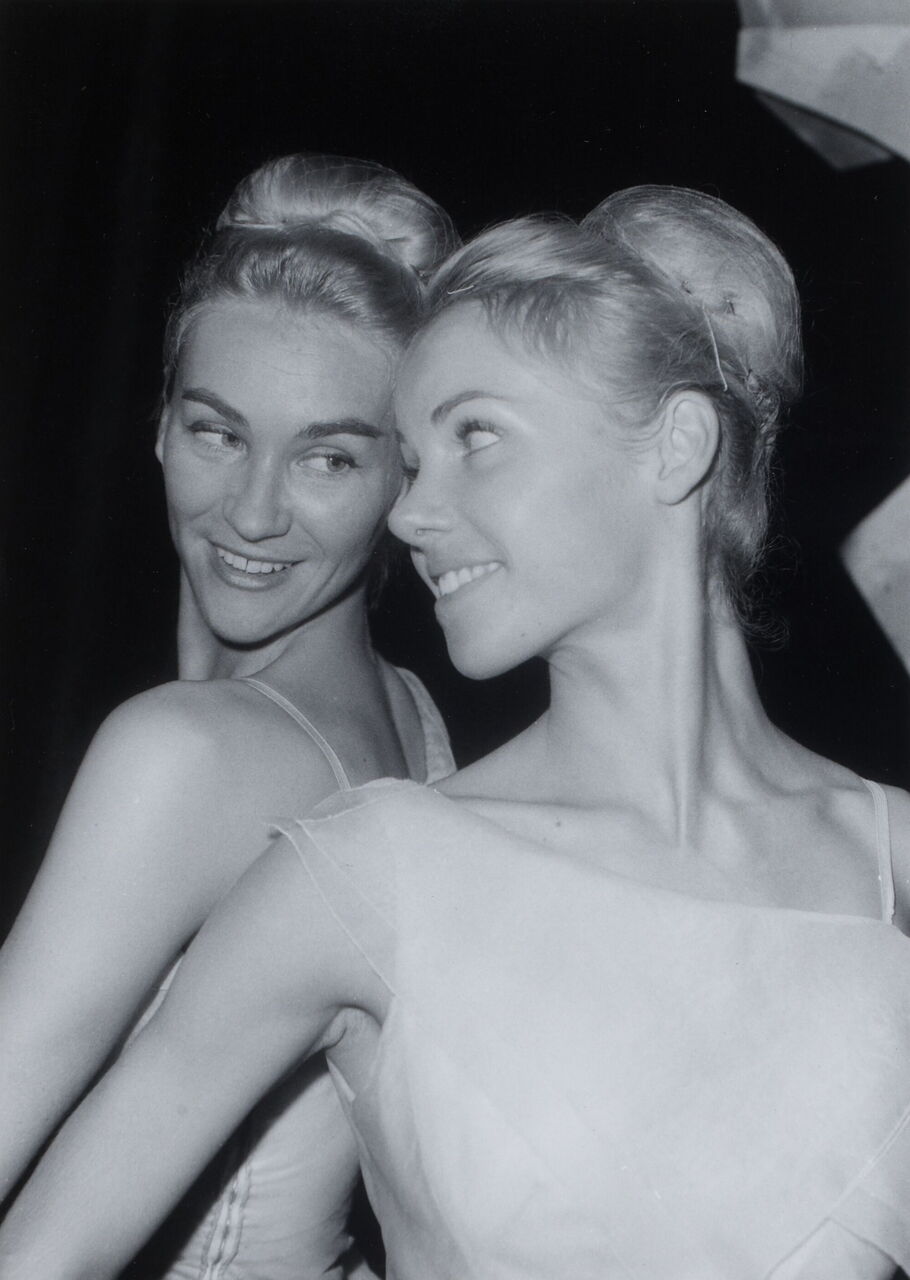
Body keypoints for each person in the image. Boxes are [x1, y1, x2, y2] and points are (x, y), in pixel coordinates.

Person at [4, 186, 910, 1280]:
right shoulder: (365, 868)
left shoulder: (894, 862)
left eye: (475, 435)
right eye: (410, 459)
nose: (406, 513)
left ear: (675, 447)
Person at [0, 153, 456, 1278]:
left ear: (404, 481)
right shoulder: (414, 718)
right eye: (219, 431)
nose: (252, 512)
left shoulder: (187, 753)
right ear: (160, 423)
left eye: (327, 457)